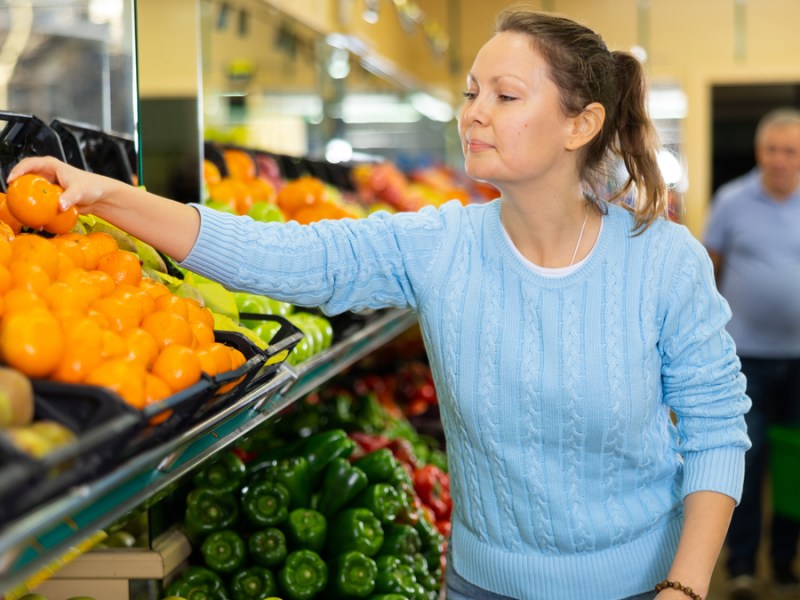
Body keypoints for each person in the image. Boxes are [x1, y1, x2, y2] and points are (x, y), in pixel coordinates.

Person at [8, 7, 750, 600]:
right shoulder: (440, 244)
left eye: (505, 96)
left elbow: (717, 429)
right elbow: (279, 257)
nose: (475, 114)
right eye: (470, 92)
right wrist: (105, 192)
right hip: (478, 585)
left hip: (642, 586)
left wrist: (684, 587)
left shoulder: (662, 261)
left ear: (580, 124)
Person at [704, 107, 800, 599]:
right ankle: (741, 565)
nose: (780, 159)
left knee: (793, 466)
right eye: (772, 149)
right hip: (747, 359)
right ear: (760, 151)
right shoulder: (731, 201)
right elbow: (709, 271)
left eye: (790, 151)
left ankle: (784, 563)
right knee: (747, 458)